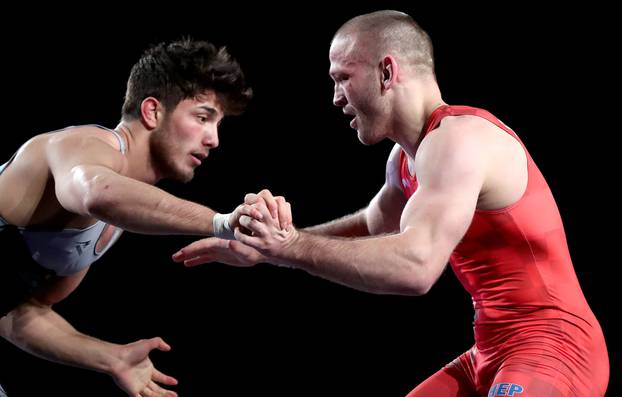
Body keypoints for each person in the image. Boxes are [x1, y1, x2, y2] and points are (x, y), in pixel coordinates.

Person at [172, 10, 610, 397]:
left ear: (387, 72)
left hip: (556, 346)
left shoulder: (459, 141)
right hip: (490, 349)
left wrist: (286, 247)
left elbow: (416, 267)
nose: (336, 98)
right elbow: (373, 224)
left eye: (342, 77)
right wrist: (268, 250)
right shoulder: (405, 158)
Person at [0, 38, 263, 397]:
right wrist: (222, 223)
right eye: (202, 118)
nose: (214, 139)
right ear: (153, 111)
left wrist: (112, 357)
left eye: (218, 125)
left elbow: (17, 314)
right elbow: (95, 191)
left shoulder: (118, 217)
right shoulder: (87, 145)